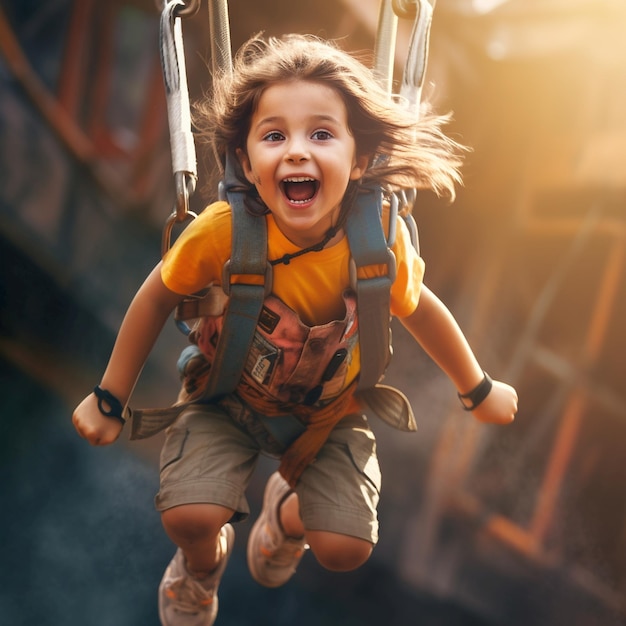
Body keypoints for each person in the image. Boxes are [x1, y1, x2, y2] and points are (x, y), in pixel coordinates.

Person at [72, 33, 518, 626]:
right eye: (275, 135)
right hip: (224, 397)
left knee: (345, 548)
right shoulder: (223, 231)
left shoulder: (378, 242)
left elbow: (423, 309)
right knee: (188, 517)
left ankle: (285, 519)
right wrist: (110, 396)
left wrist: (476, 386)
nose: (298, 152)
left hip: (331, 413)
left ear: (359, 161)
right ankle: (201, 569)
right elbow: (157, 295)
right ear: (248, 162)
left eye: (322, 134)